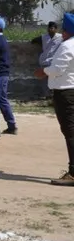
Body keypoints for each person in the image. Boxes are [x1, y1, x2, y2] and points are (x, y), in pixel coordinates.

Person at [34, 13, 74, 186]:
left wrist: (43, 72)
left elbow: (57, 68)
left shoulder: (66, 46)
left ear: (66, 31)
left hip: (65, 92)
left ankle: (73, 172)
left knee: (70, 131)